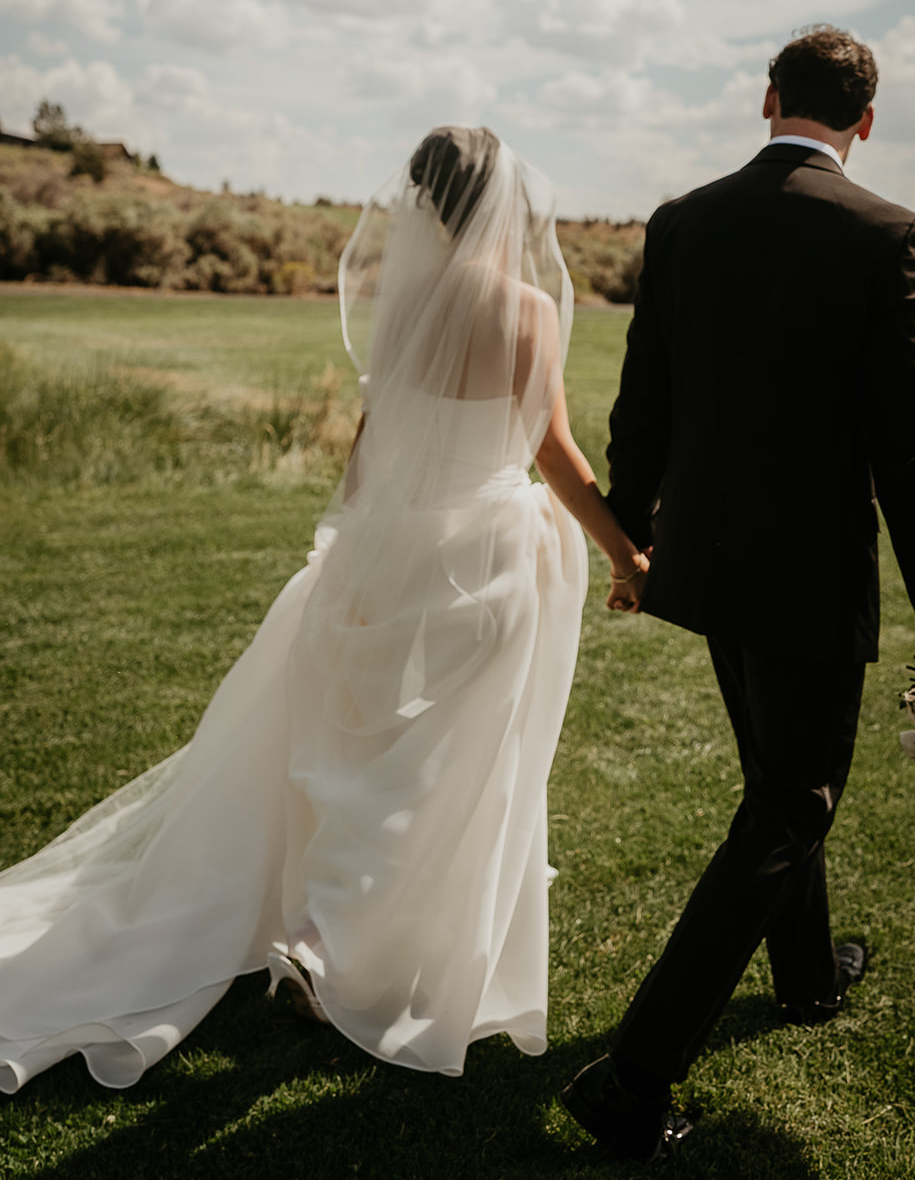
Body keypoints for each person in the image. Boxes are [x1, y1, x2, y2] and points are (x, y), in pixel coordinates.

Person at [0, 126, 646, 1094]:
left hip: (389, 550)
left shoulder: (408, 305)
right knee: (447, 765)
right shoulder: (526, 313)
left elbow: (369, 439)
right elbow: (553, 454)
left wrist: (346, 544)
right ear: (503, 205)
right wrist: (624, 551)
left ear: (425, 205)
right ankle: (327, 940)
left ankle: (328, 930)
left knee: (367, 746)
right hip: (489, 561)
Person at [561, 26, 915, 1162]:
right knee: (794, 801)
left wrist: (631, 530)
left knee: (771, 776)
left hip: (703, 558)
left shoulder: (681, 220)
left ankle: (803, 976)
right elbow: (912, 453)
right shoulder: (886, 233)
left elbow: (638, 400)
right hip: (805, 573)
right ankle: (634, 1075)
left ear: (765, 99)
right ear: (863, 121)